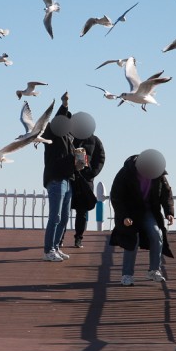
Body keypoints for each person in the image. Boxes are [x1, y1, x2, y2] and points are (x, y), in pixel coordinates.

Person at [109, 149, 175, 286]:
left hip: (148, 211)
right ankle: (127, 275)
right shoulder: (126, 173)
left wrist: (169, 212)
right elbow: (116, 196)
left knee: (157, 234)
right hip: (130, 212)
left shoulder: (158, 174)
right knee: (132, 238)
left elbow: (166, 193)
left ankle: (154, 270)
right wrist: (124, 216)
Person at [53, 102, 105, 249]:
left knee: (82, 212)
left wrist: (91, 173)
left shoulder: (95, 140)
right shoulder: (68, 138)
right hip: (70, 178)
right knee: (64, 211)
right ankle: (60, 238)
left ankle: (78, 238)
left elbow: (100, 158)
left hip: (85, 180)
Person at [41, 92, 85, 262]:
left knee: (65, 217)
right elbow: (59, 119)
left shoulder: (68, 137)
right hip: (56, 179)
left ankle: (56, 247)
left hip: (68, 179)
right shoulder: (52, 132)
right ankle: (48, 250)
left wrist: (79, 161)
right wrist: (65, 104)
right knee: (56, 216)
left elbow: (70, 158)